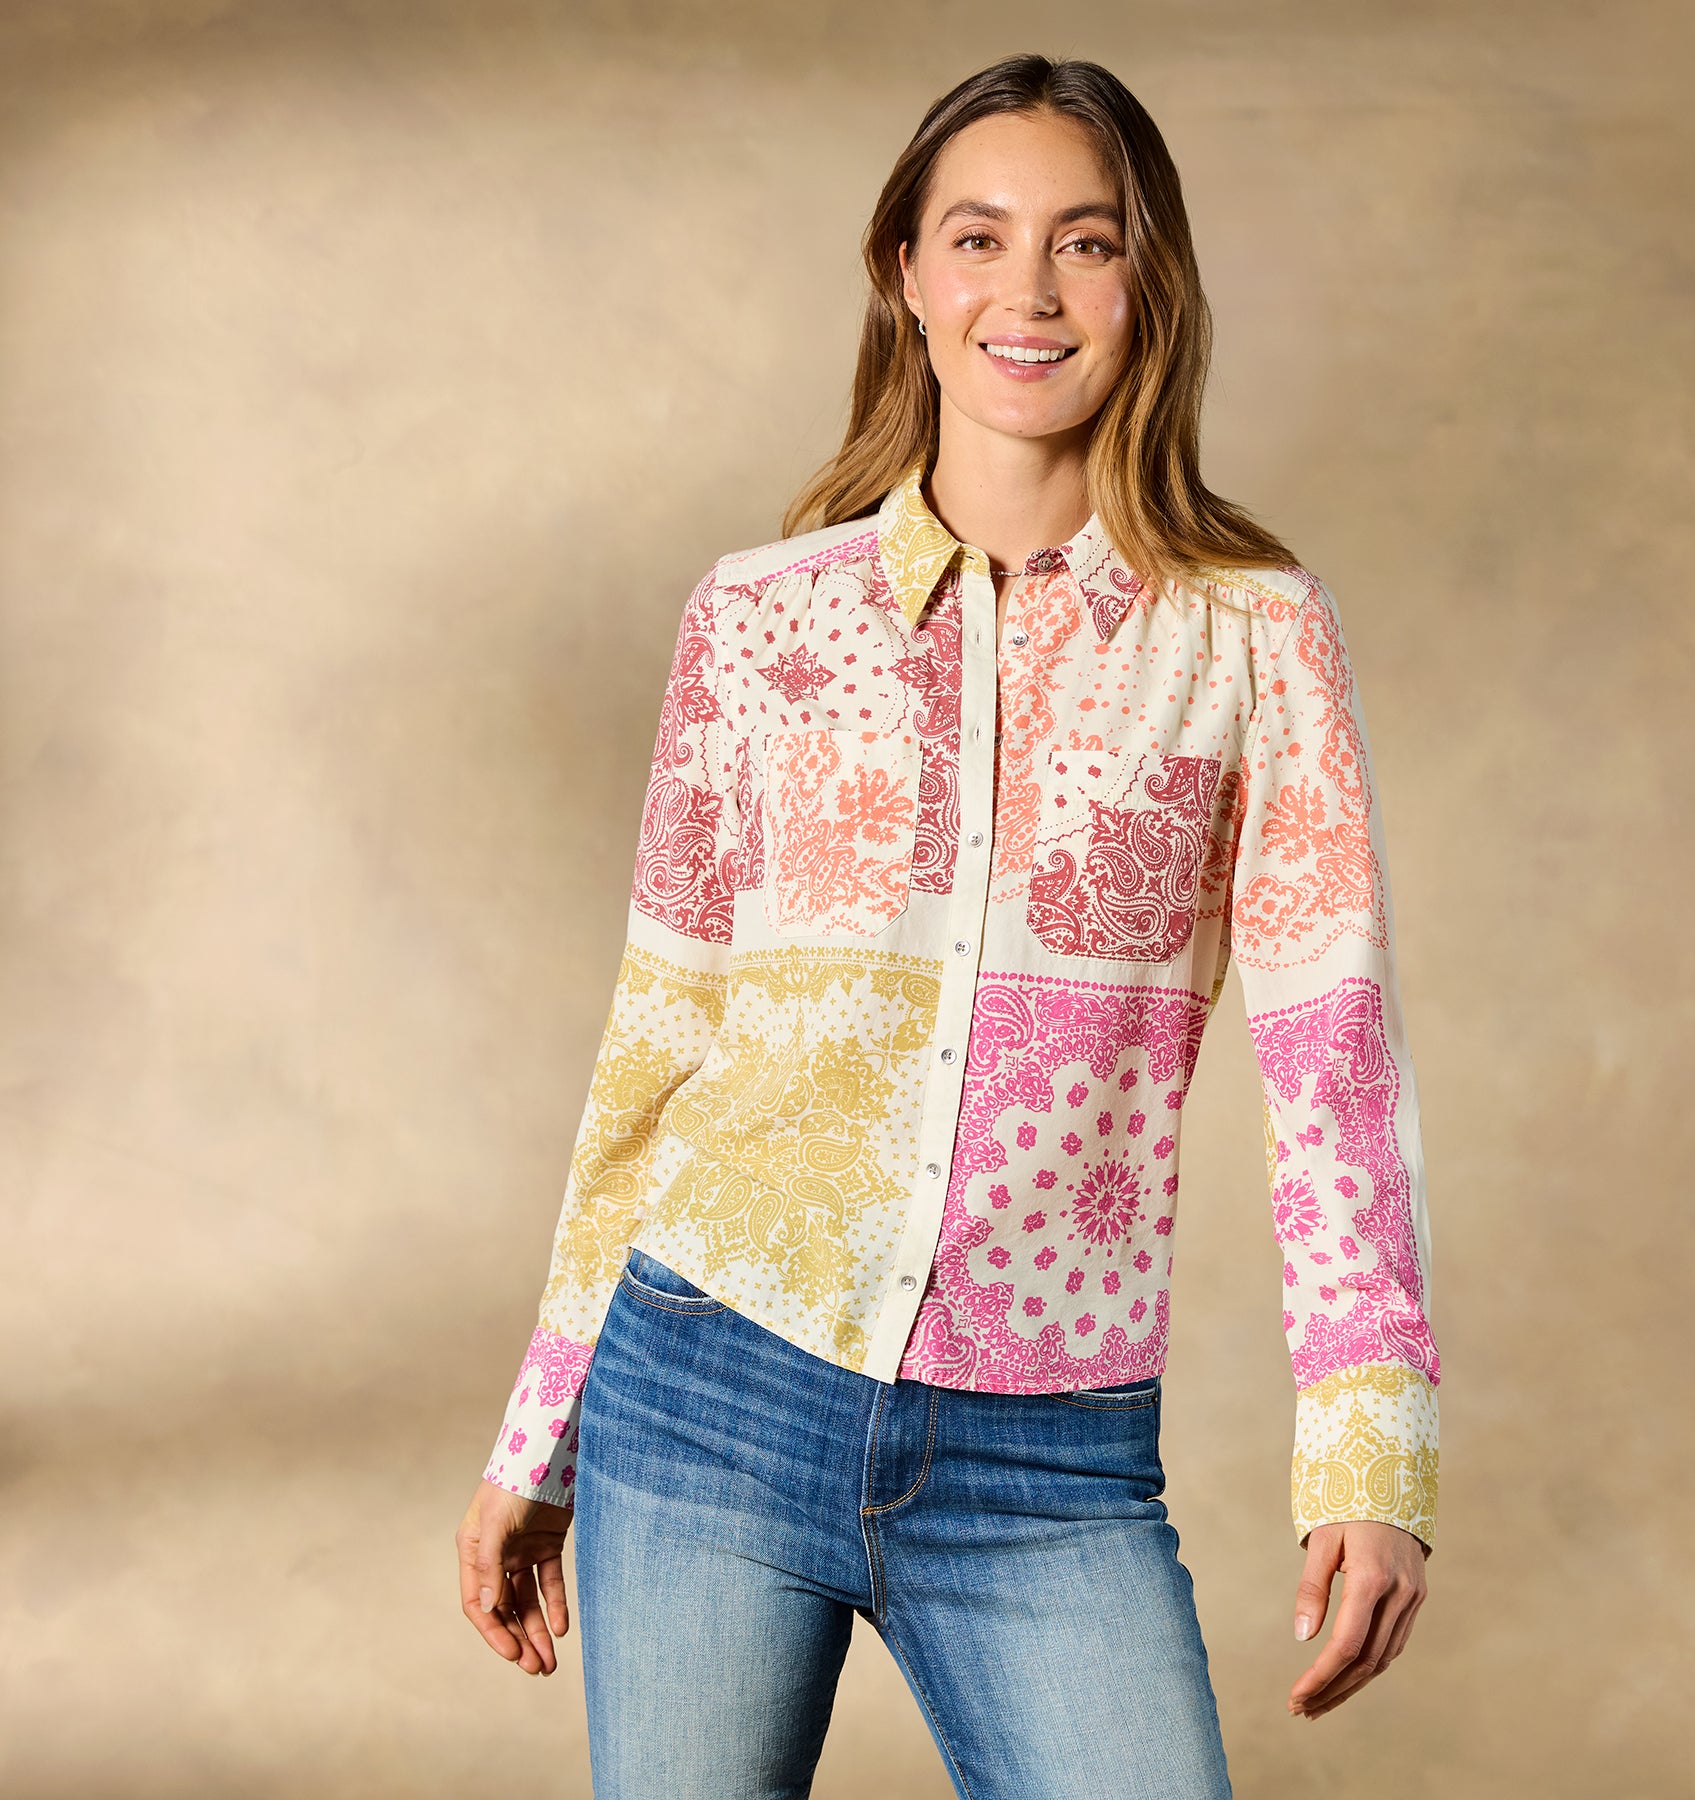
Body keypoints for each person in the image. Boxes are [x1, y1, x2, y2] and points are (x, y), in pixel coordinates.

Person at [454, 51, 1440, 1800]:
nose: (1029, 291)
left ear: (1151, 285)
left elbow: (1330, 1066)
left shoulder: (1253, 638)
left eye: (1087, 242)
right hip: (707, 1387)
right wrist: (546, 1425)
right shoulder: (756, 623)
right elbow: (660, 1043)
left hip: (1046, 1461)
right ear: (906, 275)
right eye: (978, 238)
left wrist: (1371, 1455)